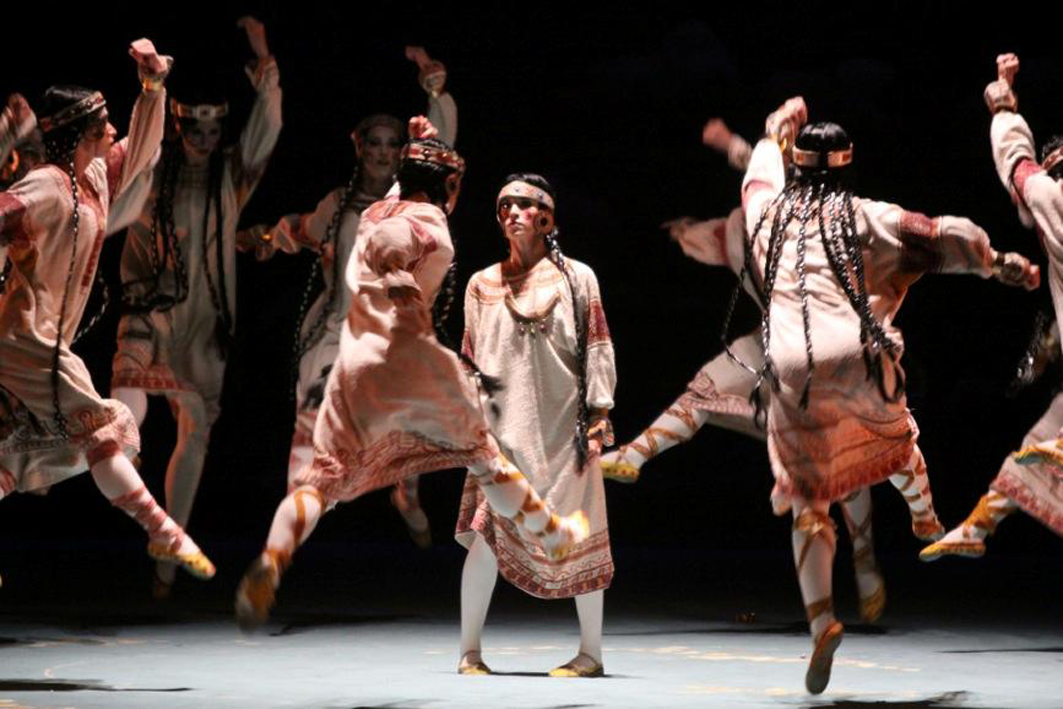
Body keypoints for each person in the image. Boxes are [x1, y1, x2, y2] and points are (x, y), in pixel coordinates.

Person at [234, 119, 589, 632]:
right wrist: (398, 273)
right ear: (447, 186)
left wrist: (426, 139)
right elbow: (395, 242)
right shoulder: (428, 220)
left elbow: (396, 209)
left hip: (353, 366)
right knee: (485, 457)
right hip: (409, 358)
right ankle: (551, 533)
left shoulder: (377, 208)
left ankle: (274, 557)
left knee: (321, 481)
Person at [738, 97, 1038, 694]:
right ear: (848, 166)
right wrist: (996, 263)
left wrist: (774, 133)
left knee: (809, 505)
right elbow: (938, 234)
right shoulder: (866, 217)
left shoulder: (769, 215)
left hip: (793, 370)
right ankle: (924, 516)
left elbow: (756, 180)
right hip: (857, 359)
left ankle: (822, 621)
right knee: (896, 443)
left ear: (797, 167)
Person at [0, 39, 214, 587]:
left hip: (45, 340)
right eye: (104, 126)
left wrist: (152, 88)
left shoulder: (91, 179)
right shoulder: (45, 186)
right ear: (82, 134)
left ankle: (162, 532)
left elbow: (140, 148)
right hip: (24, 341)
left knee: (14, 453)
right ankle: (163, 532)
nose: (114, 131)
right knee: (101, 430)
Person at [241, 46, 456, 548]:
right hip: (338, 331)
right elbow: (300, 230)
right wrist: (263, 238)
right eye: (373, 143)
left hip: (392, 336)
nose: (383, 152)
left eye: (392, 144)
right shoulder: (339, 205)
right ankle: (288, 530)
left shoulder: (415, 204)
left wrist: (436, 93)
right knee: (312, 420)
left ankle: (406, 493)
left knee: (404, 423)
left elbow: (444, 150)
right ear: (359, 148)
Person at [109, 17, 282, 597]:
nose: (204, 140)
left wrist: (264, 63)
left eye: (213, 131)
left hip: (207, 318)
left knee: (197, 428)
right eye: (193, 129)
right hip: (152, 306)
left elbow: (266, 130)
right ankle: (124, 467)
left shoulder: (230, 176)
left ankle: (168, 547)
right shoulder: (154, 175)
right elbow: (132, 165)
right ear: (180, 126)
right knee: (127, 399)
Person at [455, 174, 616, 678]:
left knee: (582, 539)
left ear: (546, 218)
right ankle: (469, 652)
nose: (512, 213)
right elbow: (469, 360)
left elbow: (597, 346)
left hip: (563, 434)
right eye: (504, 205)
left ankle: (591, 653)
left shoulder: (577, 278)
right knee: (486, 535)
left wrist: (599, 416)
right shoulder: (481, 285)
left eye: (524, 204)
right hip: (502, 435)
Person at [921, 53, 1063, 561]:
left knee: (1047, 445)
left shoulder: (1054, 198)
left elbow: (1017, 166)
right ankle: (978, 526)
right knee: (1037, 441)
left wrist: (1003, 105)